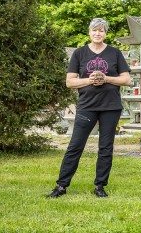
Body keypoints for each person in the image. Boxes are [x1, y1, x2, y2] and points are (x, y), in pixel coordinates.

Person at [47, 18, 131, 198]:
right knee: (75, 145)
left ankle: (100, 186)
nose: (97, 33)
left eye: (101, 30)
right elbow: (70, 82)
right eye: (94, 30)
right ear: (89, 32)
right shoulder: (79, 53)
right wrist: (90, 80)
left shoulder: (115, 53)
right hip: (87, 106)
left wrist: (106, 78)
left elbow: (126, 79)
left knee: (106, 147)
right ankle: (61, 185)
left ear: (105, 33)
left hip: (110, 106)